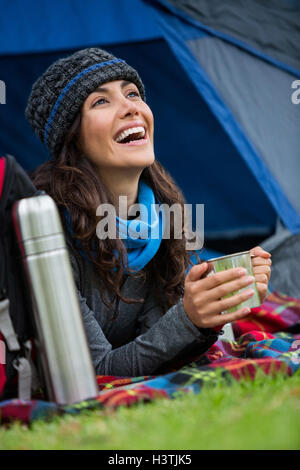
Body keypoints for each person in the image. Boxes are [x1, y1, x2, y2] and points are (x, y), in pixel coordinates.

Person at [25, 48, 271, 376]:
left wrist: (213, 308)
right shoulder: (46, 231)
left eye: (133, 93)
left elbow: (153, 345)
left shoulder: (162, 215)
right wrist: (188, 319)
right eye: (101, 101)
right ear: (73, 139)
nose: (131, 108)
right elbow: (97, 371)